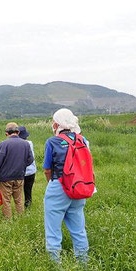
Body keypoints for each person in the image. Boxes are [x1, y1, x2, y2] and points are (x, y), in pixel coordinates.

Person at [43, 108, 90, 263]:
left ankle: (55, 266)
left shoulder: (52, 141)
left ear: (57, 124)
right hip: (79, 187)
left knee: (53, 230)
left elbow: (47, 169)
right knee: (79, 229)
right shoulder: (83, 140)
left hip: (59, 185)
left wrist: (52, 183)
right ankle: (83, 263)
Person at [0, 122, 34, 219]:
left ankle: (8, 220)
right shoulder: (26, 144)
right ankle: (20, 219)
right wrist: (21, 166)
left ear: (6, 133)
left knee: (6, 200)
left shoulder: (4, 144)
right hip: (20, 176)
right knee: (19, 199)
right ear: (18, 132)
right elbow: (30, 160)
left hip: (5, 177)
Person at [18, 126, 36, 208]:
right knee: (28, 190)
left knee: (18, 192)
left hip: (20, 172)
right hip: (31, 171)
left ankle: (20, 208)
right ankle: (28, 206)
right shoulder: (30, 143)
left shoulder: (17, 145)